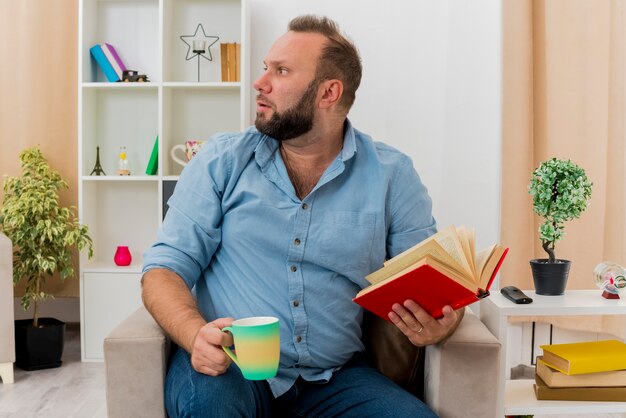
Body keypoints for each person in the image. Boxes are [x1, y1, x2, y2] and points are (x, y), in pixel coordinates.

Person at [142, 14, 464, 417]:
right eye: (265, 68)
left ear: (328, 92)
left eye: (281, 71)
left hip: (336, 377)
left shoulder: (392, 176)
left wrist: (444, 322)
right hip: (233, 368)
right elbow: (163, 269)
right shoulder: (220, 161)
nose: (260, 83)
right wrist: (194, 335)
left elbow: (432, 284)